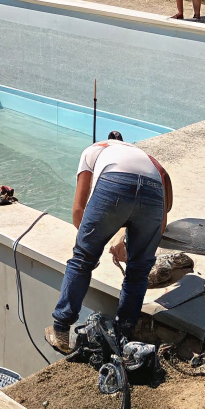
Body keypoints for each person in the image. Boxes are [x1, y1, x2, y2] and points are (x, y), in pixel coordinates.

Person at [45, 138, 173, 354]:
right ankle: (124, 335)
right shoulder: (149, 160)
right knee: (139, 271)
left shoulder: (93, 151)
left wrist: (96, 237)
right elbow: (163, 211)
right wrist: (133, 240)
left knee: (83, 258)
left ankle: (61, 330)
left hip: (115, 182)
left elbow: (78, 212)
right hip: (154, 193)